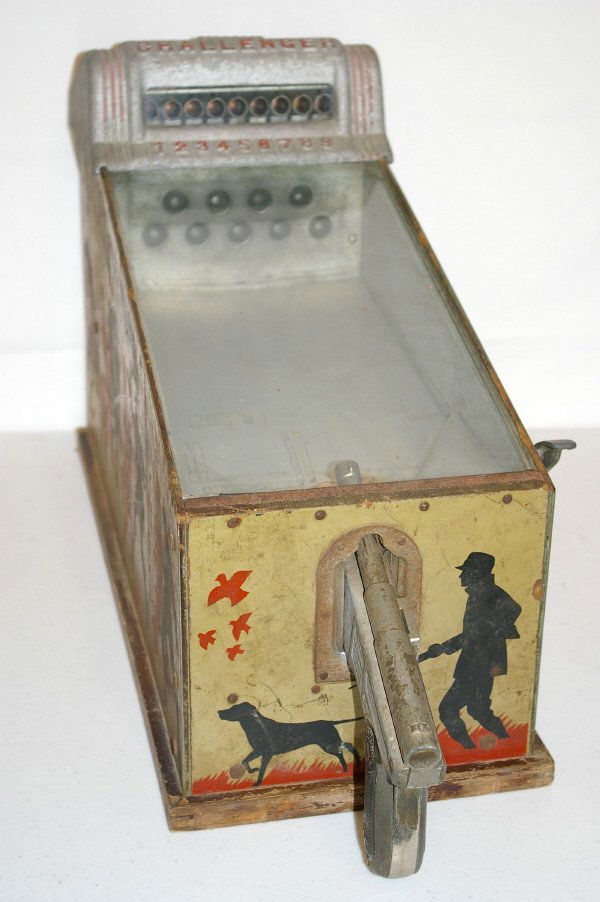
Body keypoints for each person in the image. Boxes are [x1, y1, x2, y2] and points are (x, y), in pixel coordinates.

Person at [418, 552, 521, 749]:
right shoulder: (478, 594)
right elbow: (473, 633)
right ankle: (505, 742)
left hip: (481, 664)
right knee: (478, 709)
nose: (461, 576)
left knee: (448, 709)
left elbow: (512, 609)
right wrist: (445, 647)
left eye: (466, 572)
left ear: (477, 573)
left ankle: (470, 748)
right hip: (475, 662)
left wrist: (494, 627)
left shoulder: (491, 594)